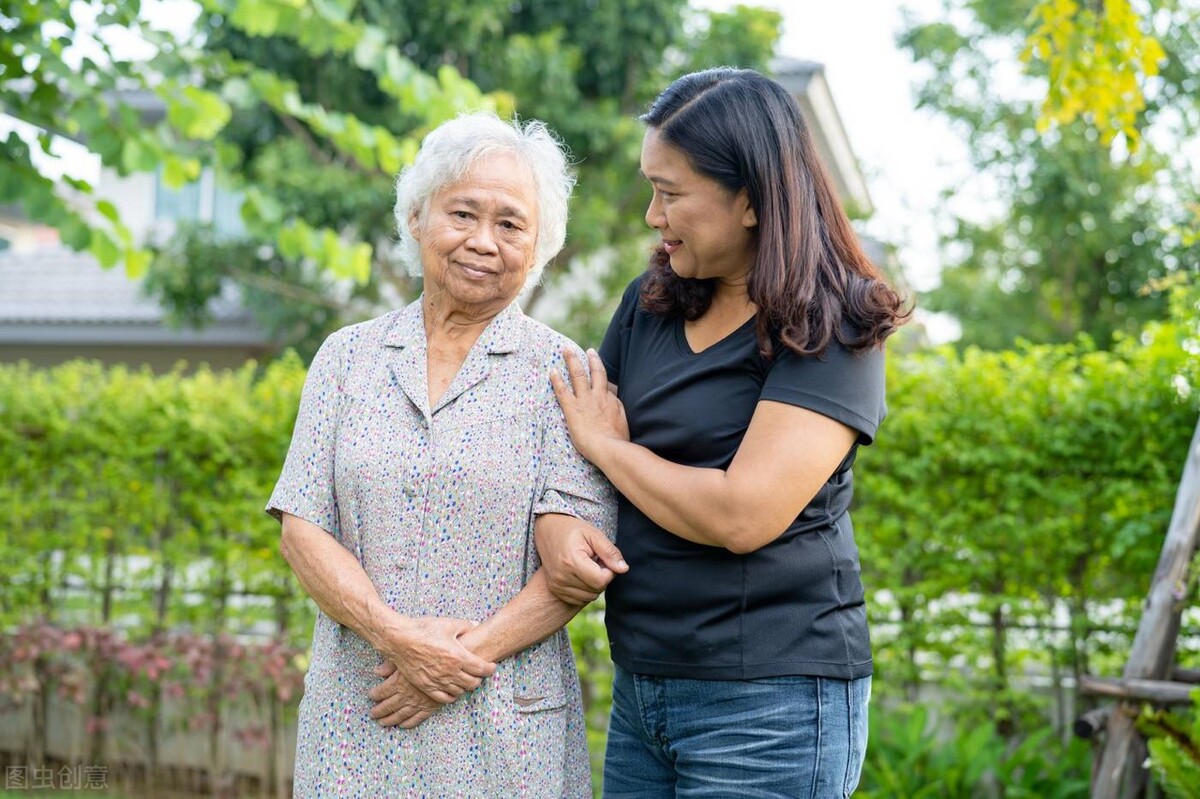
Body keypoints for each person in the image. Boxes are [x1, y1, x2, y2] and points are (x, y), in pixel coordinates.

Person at [540, 68, 911, 798]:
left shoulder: (835, 322)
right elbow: (568, 444)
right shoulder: (649, 303)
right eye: (652, 188)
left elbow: (743, 513)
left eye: (671, 193)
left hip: (771, 701)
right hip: (645, 685)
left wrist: (610, 448)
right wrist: (557, 520)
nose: (653, 214)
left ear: (750, 197)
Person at [267, 111, 624, 798]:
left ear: (540, 245)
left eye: (511, 223)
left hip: (505, 727)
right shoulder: (347, 357)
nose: (483, 241)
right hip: (362, 710)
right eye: (462, 213)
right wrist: (396, 636)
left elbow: (575, 570)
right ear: (417, 218)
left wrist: (451, 659)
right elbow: (302, 525)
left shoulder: (566, 372)